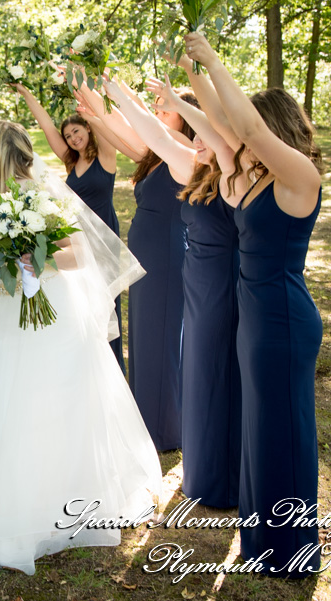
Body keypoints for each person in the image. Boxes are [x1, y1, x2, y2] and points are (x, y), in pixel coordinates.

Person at [0, 118, 162, 575]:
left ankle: (57, 507)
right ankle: (11, 508)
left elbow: (78, 254)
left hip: (51, 315)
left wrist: (32, 255)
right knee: (7, 401)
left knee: (52, 403)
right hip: (4, 317)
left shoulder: (37, 193)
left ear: (0, 150)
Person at [187, 32, 324, 576]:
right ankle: (261, 539)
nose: (242, 137)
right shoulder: (254, 179)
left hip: (283, 321)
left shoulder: (300, 177)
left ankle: (290, 551)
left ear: (275, 128)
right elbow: (224, 125)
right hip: (254, 319)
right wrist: (192, 72)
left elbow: (245, 129)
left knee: (282, 430)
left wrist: (213, 59)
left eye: (257, 127)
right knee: (260, 429)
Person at [144, 67, 248, 508]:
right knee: (197, 375)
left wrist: (187, 91)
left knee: (217, 375)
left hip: (223, 287)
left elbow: (212, 132)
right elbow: (156, 135)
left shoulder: (233, 175)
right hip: (197, 285)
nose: (196, 143)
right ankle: (200, 472)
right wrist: (112, 91)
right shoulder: (199, 171)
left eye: (204, 136)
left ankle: (222, 480)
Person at [77, 77, 198, 452]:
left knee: (161, 336)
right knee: (145, 336)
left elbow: (139, 121)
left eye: (167, 110)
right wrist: (92, 102)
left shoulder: (183, 150)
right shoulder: (157, 153)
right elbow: (124, 130)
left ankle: (163, 430)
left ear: (185, 118)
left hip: (166, 254)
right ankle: (149, 419)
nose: (158, 114)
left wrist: (108, 89)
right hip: (148, 255)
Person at [12, 83, 126, 371]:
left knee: (106, 302)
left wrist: (86, 97)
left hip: (103, 236)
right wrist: (27, 95)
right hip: (76, 238)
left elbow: (104, 124)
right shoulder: (70, 161)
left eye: (77, 131)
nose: (73, 138)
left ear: (87, 128)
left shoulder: (106, 157)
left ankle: (112, 368)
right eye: (68, 136)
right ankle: (88, 368)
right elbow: (47, 127)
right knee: (83, 302)